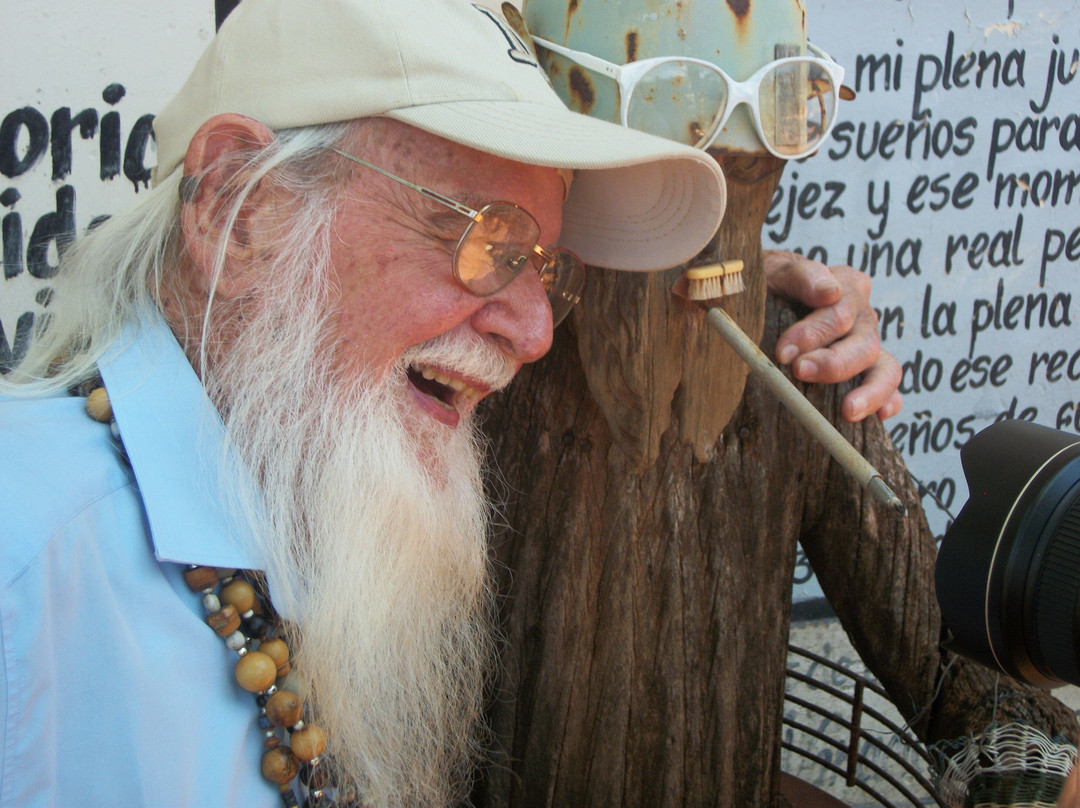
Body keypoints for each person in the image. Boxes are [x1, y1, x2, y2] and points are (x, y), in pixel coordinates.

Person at [0, 1, 898, 806]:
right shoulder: (28, 558)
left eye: (545, 267)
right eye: (482, 235)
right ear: (245, 205)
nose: (537, 332)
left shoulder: (325, 470)